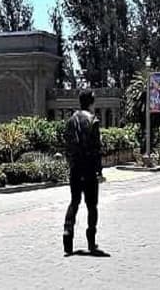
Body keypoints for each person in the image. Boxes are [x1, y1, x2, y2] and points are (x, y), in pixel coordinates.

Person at [62, 90, 107, 256]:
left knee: (74, 201)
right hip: (88, 168)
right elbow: (96, 149)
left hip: (75, 167)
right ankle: (91, 241)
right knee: (91, 205)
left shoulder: (70, 120)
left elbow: (67, 145)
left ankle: (68, 232)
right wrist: (99, 171)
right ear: (91, 102)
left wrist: (71, 163)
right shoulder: (93, 120)